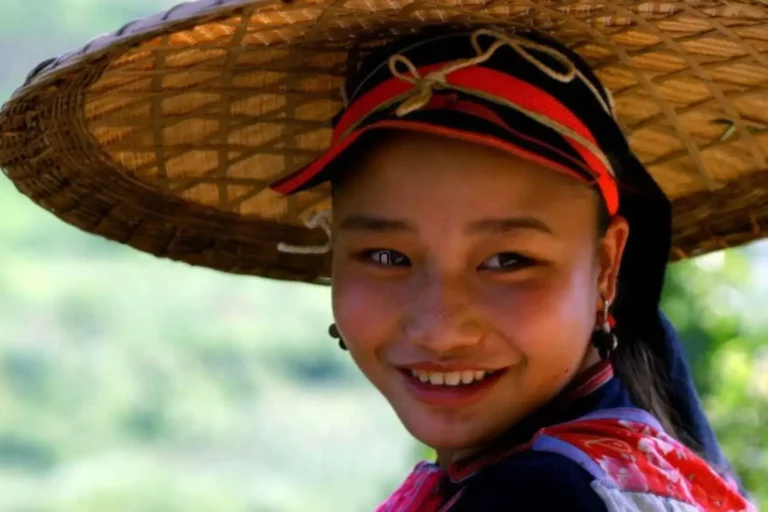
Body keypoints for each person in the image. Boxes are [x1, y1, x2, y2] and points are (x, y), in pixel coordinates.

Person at [0, 2, 764, 511]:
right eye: (388, 256)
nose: (437, 325)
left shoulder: (542, 496)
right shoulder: (635, 458)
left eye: (506, 261)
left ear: (606, 269)